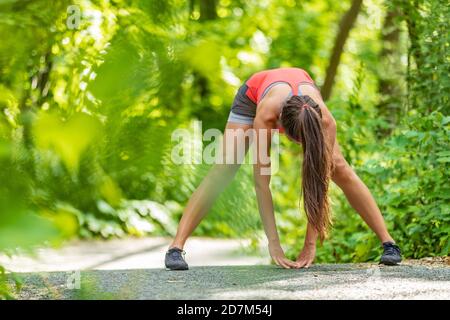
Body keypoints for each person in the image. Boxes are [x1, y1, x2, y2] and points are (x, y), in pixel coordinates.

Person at [164, 67, 401, 270]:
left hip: (302, 100)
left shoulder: (325, 121)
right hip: (253, 94)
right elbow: (261, 182)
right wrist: (273, 243)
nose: (299, 146)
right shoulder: (265, 116)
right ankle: (176, 248)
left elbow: (319, 183)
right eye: (296, 140)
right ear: (280, 127)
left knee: (338, 167)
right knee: (224, 169)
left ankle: (389, 244)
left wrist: (310, 245)